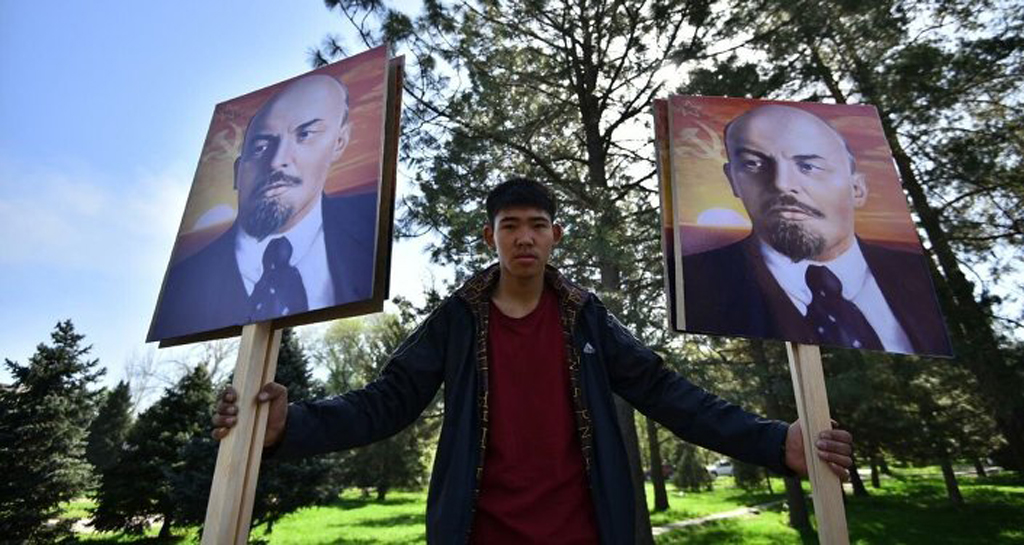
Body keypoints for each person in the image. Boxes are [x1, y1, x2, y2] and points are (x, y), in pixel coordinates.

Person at [212, 178, 855, 544]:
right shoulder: (457, 319)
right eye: (510, 225)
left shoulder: (586, 317)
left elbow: (669, 393)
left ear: (555, 235)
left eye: (538, 224)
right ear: (490, 236)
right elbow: (387, 401)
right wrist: (291, 426)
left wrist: (775, 443)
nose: (525, 237)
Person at [682, 105, 951, 356]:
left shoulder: (921, 281)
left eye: (808, 166)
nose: (781, 183)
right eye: (753, 164)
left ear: (857, 189)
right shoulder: (694, 287)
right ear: (732, 180)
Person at [148, 74, 377, 342]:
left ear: (340, 142)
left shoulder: (373, 227)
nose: (277, 161)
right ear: (237, 172)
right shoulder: (183, 284)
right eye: (260, 147)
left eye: (304, 135)